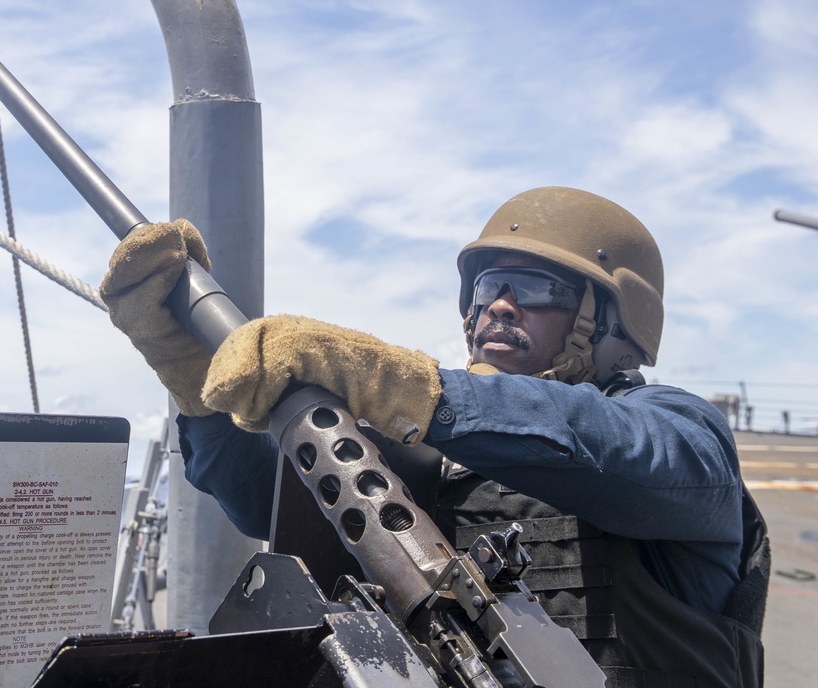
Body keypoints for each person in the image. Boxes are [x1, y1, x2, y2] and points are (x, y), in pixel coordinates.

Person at [101, 187, 768, 687]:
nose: (499, 305)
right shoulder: (434, 459)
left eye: (535, 288)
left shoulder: (682, 433)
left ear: (615, 323)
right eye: (489, 286)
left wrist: (408, 386)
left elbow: (616, 449)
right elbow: (273, 500)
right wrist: (198, 384)